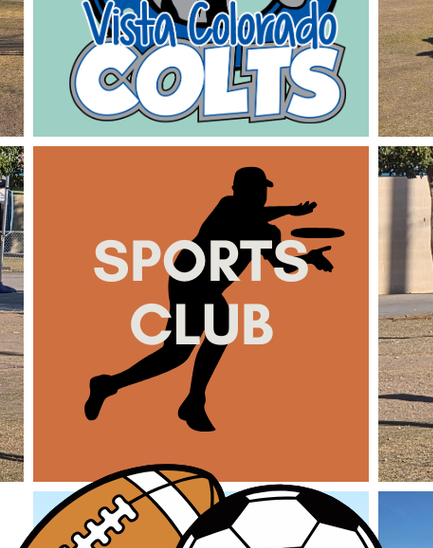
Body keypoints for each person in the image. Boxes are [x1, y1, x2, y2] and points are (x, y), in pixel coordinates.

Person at [84, 167, 332, 432]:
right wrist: (291, 210)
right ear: (237, 189)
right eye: (254, 189)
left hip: (208, 289)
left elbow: (282, 265)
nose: (260, 194)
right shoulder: (227, 206)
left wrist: (308, 259)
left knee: (176, 354)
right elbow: (247, 214)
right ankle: (192, 401)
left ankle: (111, 385)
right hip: (188, 278)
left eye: (263, 189)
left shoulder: (268, 233)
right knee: (207, 335)